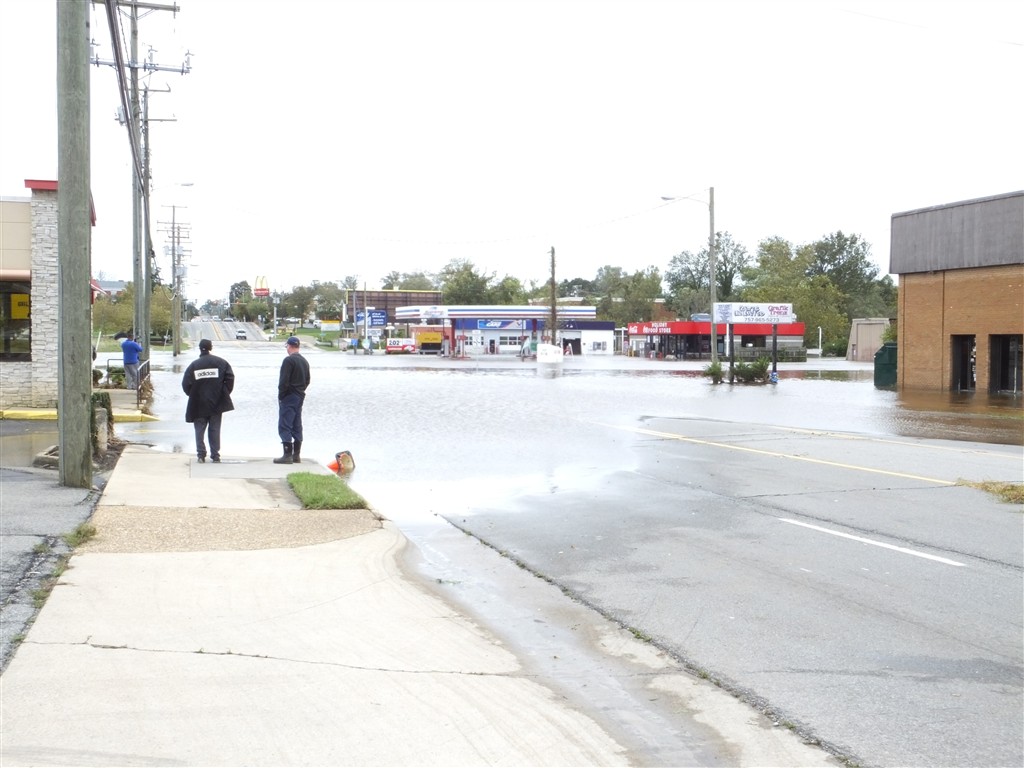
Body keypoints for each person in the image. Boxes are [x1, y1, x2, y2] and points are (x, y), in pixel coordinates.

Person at [181, 339, 235, 463]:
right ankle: (215, 455)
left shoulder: (194, 366)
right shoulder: (221, 363)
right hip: (217, 402)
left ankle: (201, 455)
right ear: (211, 348)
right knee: (214, 429)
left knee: (199, 429)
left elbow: (186, 384)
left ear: (200, 348)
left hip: (198, 403)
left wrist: (193, 394)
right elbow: (230, 378)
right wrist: (224, 393)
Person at [274, 335, 310, 464]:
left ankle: (287, 454)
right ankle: (296, 455)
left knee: (285, 424)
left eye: (287, 346)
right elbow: (307, 380)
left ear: (289, 346)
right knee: (297, 424)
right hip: (300, 395)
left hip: (289, 396)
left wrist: (281, 395)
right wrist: (300, 390)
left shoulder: (288, 361)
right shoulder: (304, 361)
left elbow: (283, 381)